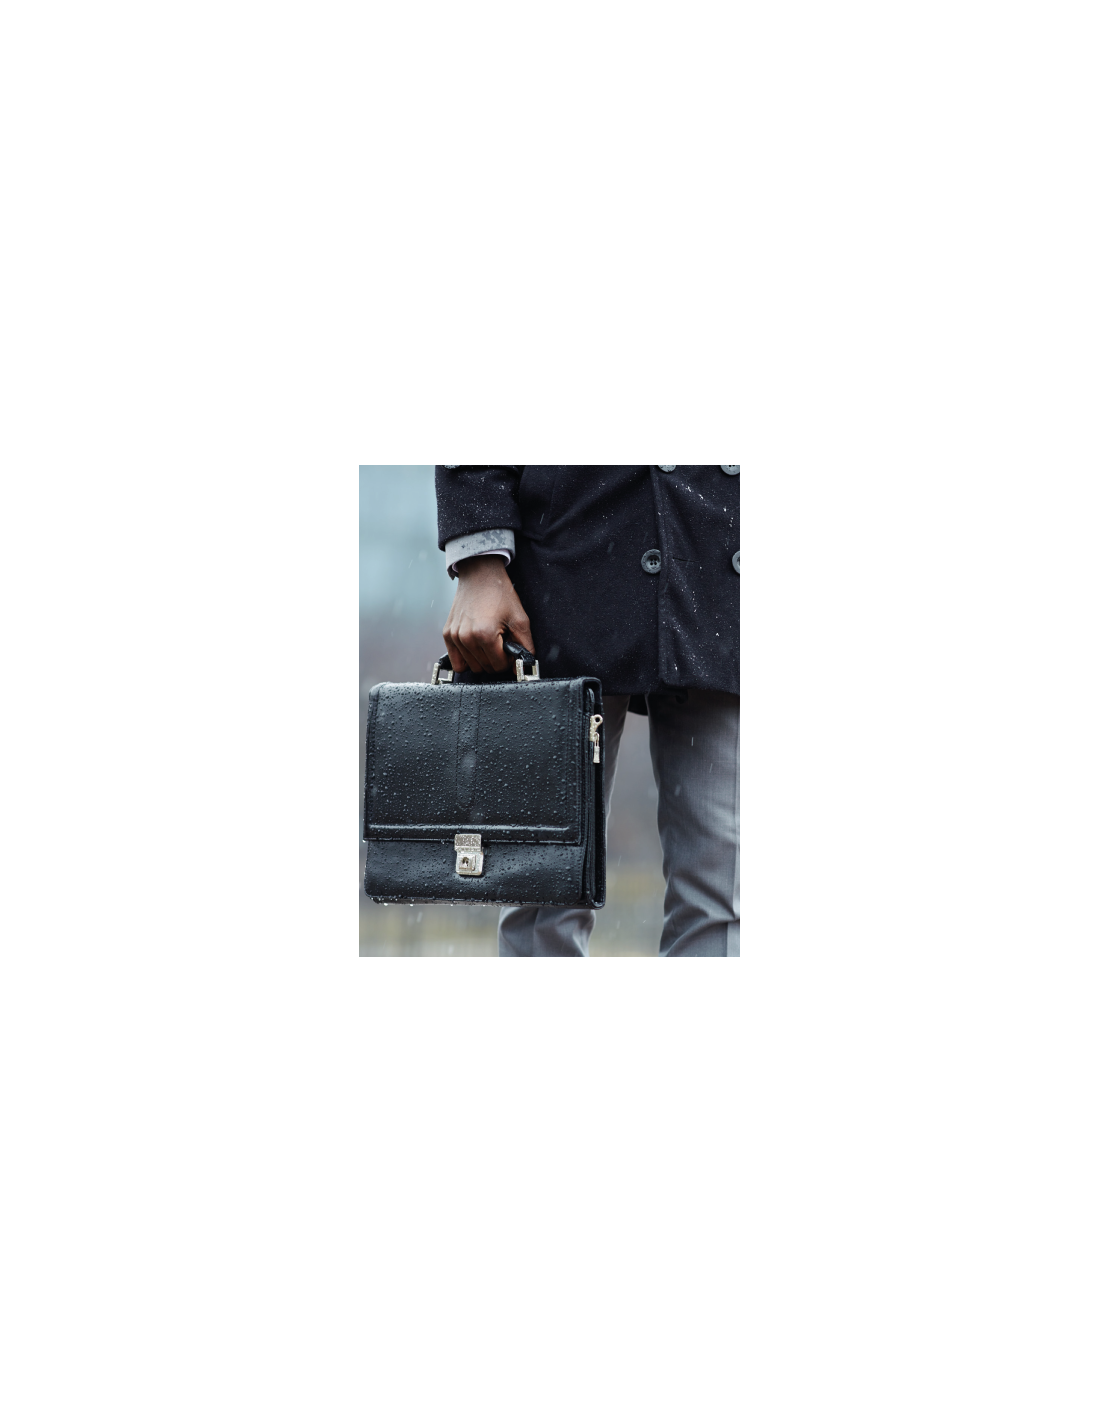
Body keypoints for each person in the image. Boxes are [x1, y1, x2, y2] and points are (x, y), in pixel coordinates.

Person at [436, 465, 739, 957]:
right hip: (563, 571)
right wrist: (479, 560)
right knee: (544, 895)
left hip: (719, 575)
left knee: (723, 896)